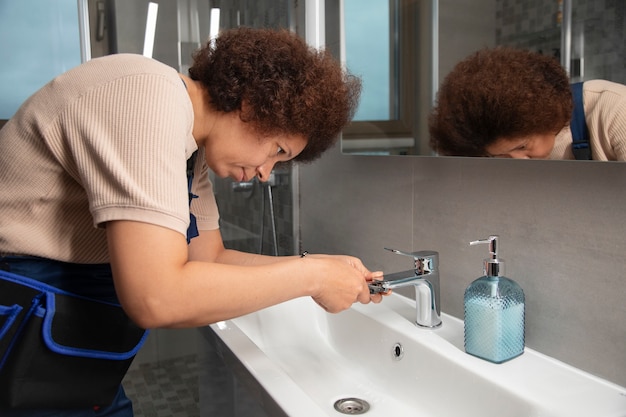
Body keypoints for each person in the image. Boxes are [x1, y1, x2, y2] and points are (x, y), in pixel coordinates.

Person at [0, 27, 385, 416]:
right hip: (16, 321)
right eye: (277, 150)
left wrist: (320, 268)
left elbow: (207, 260)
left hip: (72, 359)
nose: (267, 172)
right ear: (252, 104)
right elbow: (157, 297)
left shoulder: (189, 146)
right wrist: (313, 277)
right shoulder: (145, 97)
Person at [428, 47, 626, 161]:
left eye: (522, 146)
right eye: (502, 155)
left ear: (547, 117)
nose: (518, 161)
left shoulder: (616, 109)